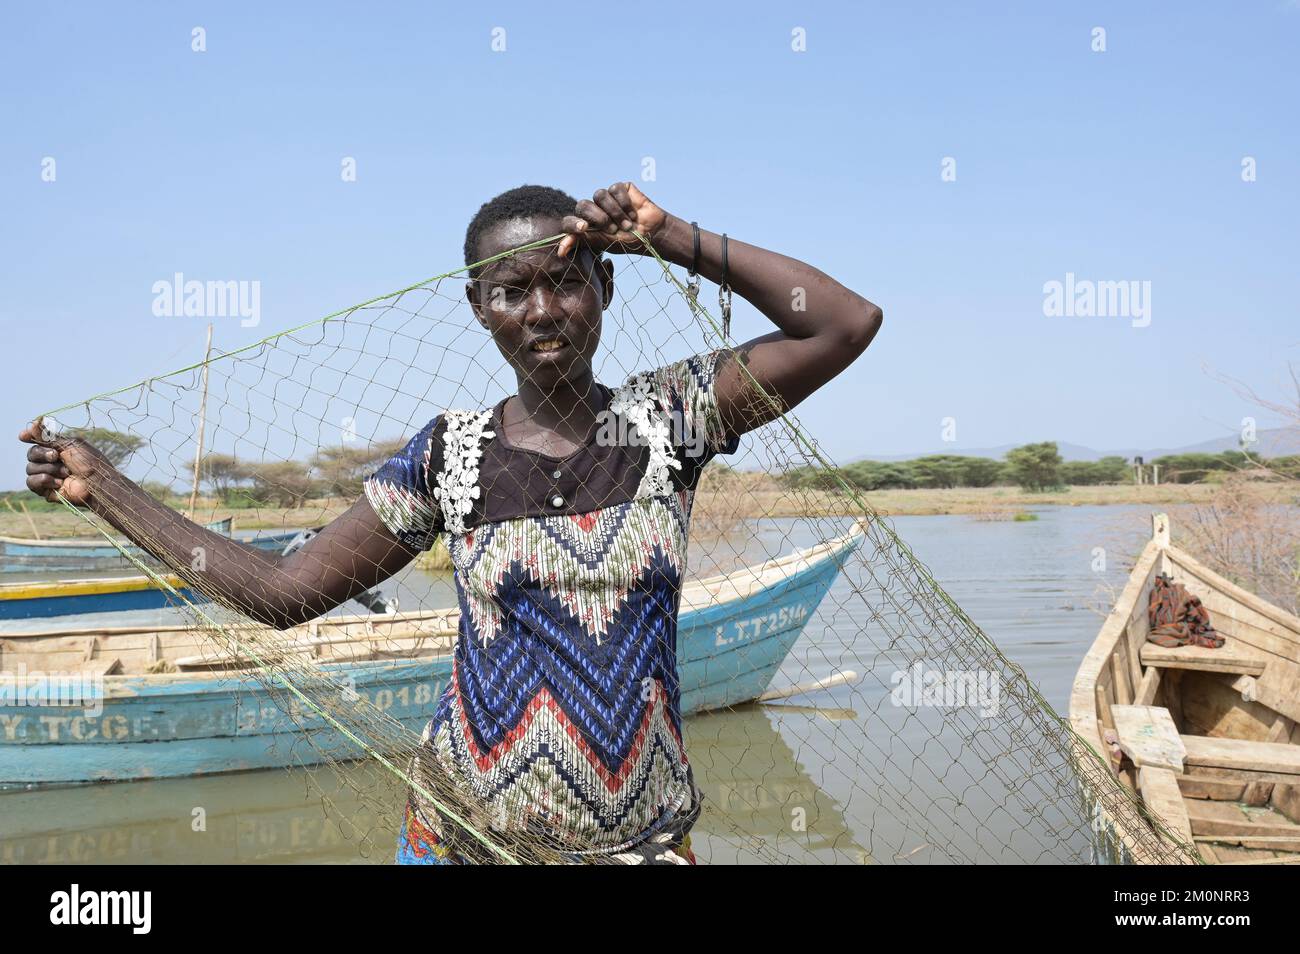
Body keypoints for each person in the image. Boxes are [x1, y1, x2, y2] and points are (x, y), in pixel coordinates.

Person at [21, 181, 882, 864]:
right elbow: (283, 594)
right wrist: (104, 487)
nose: (543, 310)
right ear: (480, 308)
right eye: (512, 290)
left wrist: (670, 234)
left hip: (641, 843)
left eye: (566, 279)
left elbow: (844, 324)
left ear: (605, 285)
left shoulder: (666, 420)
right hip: (464, 838)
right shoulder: (449, 458)